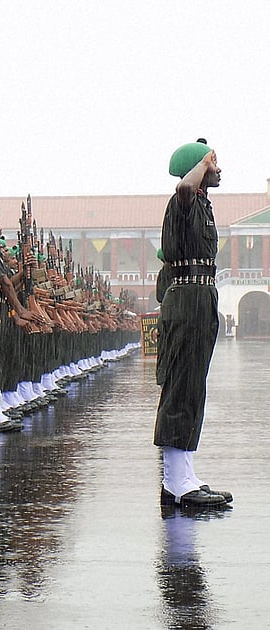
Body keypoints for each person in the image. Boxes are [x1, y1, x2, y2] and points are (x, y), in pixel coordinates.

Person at [154, 141, 231, 510]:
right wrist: (201, 162)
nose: (218, 168)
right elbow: (184, 186)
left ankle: (184, 474)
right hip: (187, 302)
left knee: (192, 387)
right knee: (181, 386)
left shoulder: (200, 204)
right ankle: (176, 482)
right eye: (212, 163)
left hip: (199, 300)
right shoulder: (183, 199)